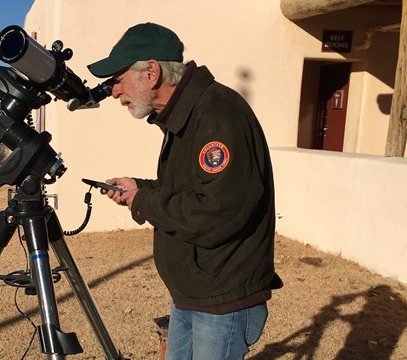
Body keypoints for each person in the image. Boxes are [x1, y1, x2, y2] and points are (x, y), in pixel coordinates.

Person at [86, 23, 283, 360]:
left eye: (117, 79)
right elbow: (189, 190)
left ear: (151, 72)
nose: (114, 92)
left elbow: (218, 213)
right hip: (193, 293)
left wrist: (144, 200)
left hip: (221, 298)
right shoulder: (184, 114)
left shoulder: (218, 114)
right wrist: (140, 189)